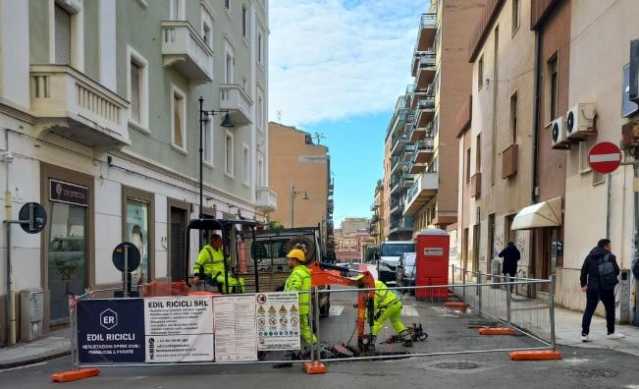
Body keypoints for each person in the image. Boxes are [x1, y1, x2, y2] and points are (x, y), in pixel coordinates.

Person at [580, 239, 624, 342]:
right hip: (606, 288)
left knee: (589, 310)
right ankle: (610, 332)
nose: (611, 247)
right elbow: (617, 271)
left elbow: (584, 270)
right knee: (610, 309)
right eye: (610, 245)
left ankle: (584, 334)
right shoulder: (610, 256)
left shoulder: (590, 256)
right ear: (606, 246)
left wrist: (583, 284)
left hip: (592, 287)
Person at [284, 246, 317, 346]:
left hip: (295, 307)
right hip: (302, 307)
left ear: (295, 260)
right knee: (304, 329)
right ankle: (314, 349)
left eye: (289, 259)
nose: (288, 261)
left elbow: (293, 289)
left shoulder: (297, 273)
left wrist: (282, 298)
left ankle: (315, 349)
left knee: (300, 330)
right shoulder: (304, 272)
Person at [370, 279, 412, 347]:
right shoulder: (378, 283)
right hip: (397, 303)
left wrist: (366, 313)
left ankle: (371, 344)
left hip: (388, 306)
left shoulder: (372, 290)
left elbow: (373, 306)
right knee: (396, 322)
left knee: (376, 322)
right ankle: (408, 340)